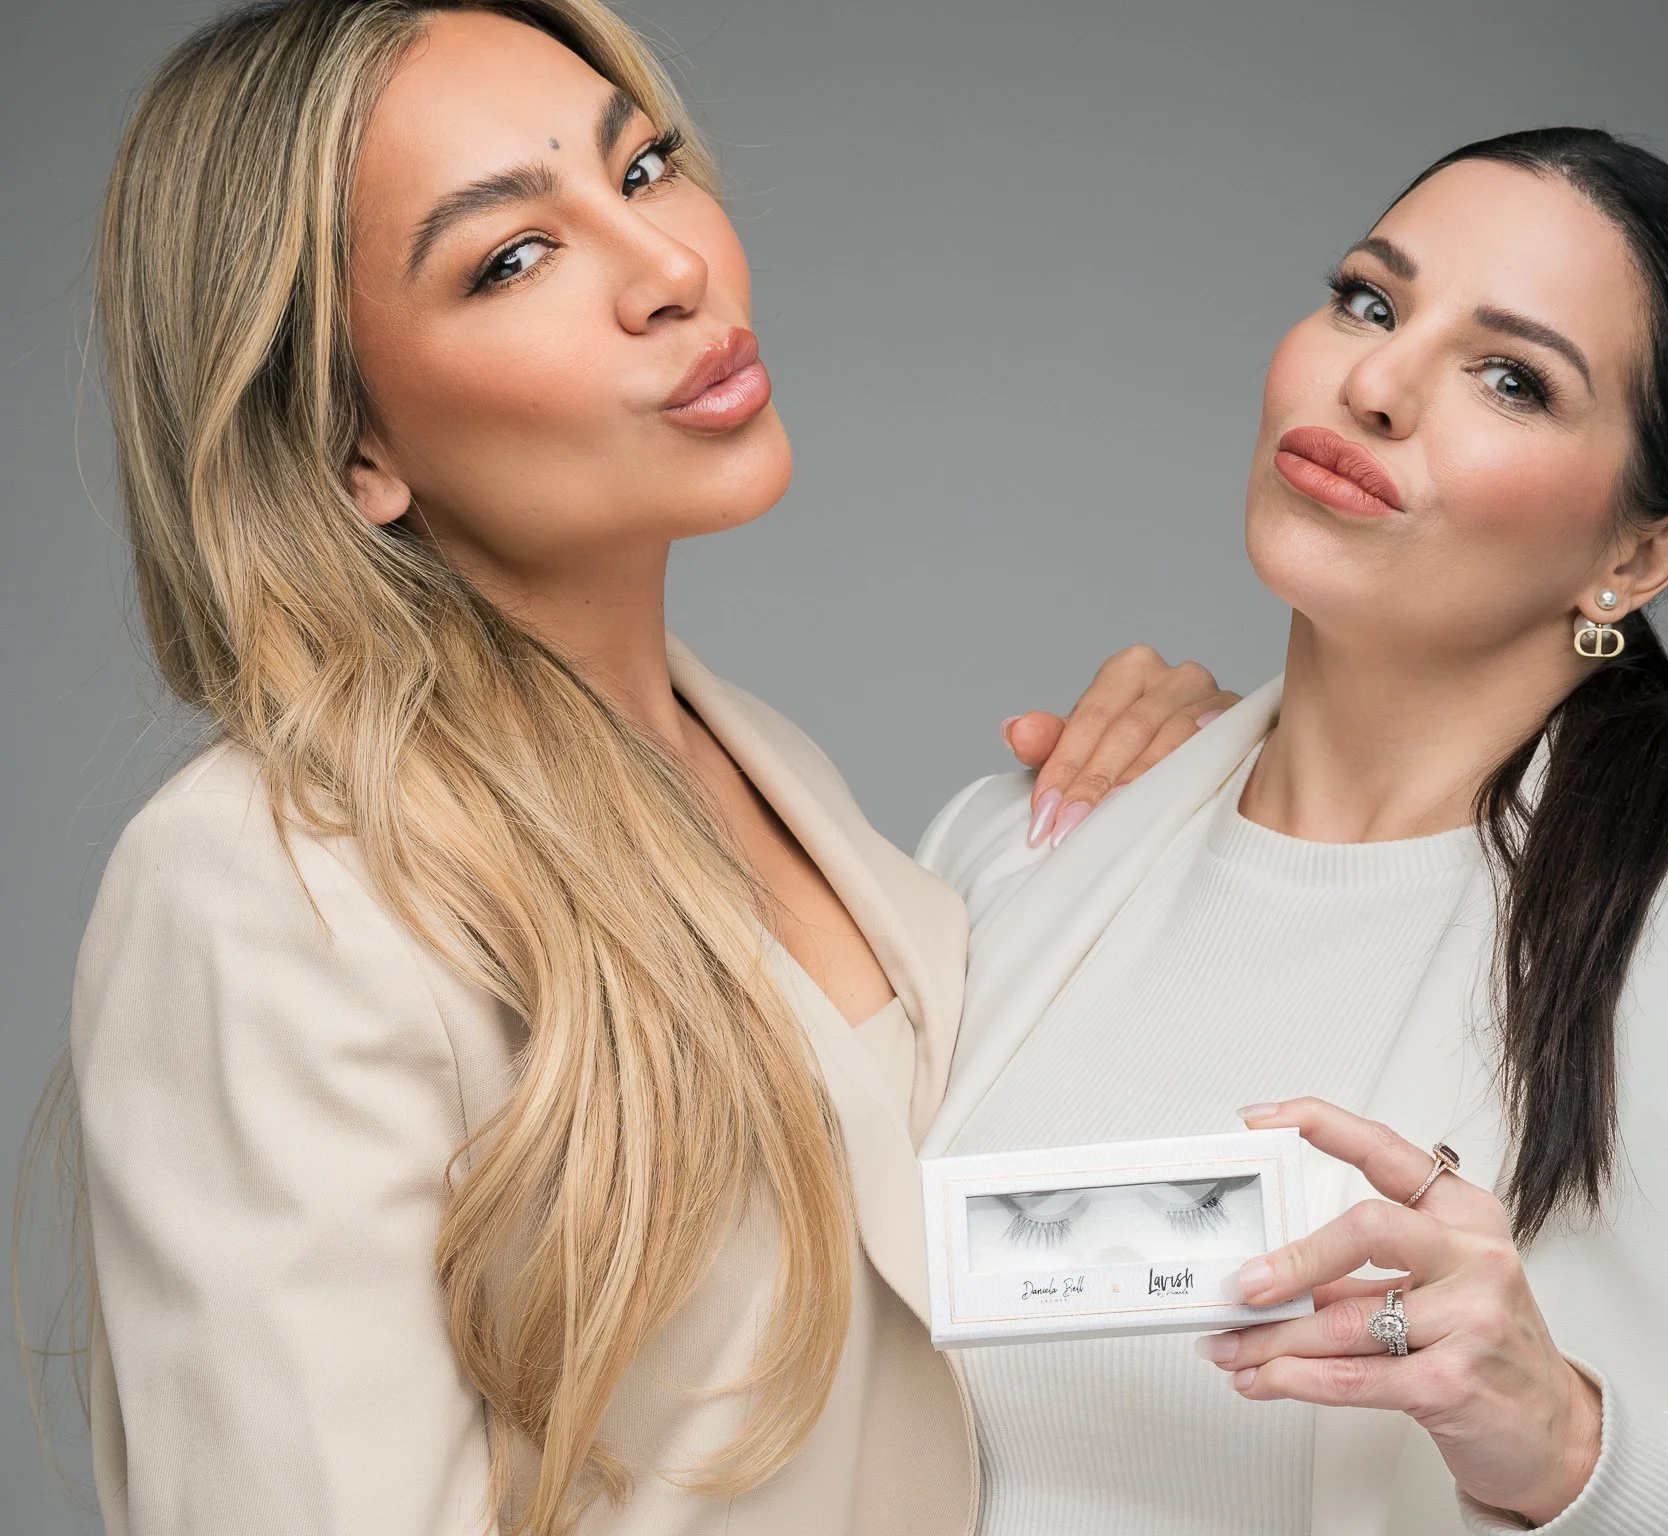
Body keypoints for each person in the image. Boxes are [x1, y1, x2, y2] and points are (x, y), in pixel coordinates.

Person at [51, 4, 1234, 1534]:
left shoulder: (773, 767)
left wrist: (1192, 818)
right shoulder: (264, 883)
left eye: (647, 167)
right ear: (352, 450)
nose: (673, 269)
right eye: (512, 259)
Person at [921, 127, 1668, 1534]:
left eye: (1510, 378)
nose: (1375, 382)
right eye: (1369, 301)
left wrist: (1565, 1445)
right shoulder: (1009, 854)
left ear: (1637, 560)